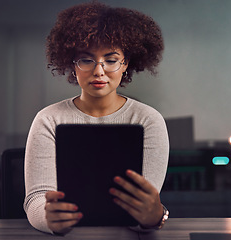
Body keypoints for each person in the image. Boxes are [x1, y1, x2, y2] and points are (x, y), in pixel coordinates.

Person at [24, 1, 169, 235]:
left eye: (111, 60)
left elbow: (143, 208)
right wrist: (48, 218)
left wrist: (153, 217)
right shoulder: (47, 119)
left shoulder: (148, 120)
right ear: (72, 64)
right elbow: (36, 200)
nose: (99, 71)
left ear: (126, 63)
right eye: (86, 59)